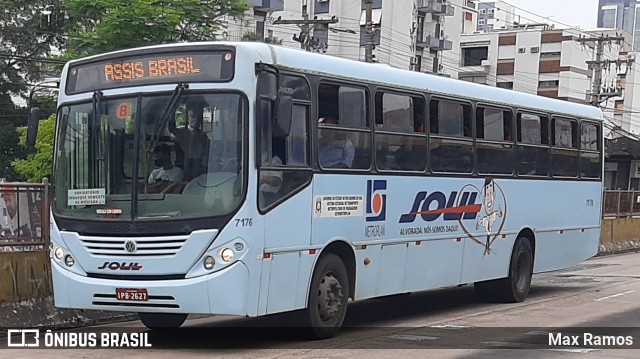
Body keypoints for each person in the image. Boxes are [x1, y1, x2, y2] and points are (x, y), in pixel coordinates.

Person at [169, 105, 210, 180]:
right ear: (188, 119)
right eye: (193, 117)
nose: (195, 120)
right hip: (182, 164)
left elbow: (206, 150)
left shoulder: (203, 135)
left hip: (198, 164)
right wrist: (173, 108)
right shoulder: (181, 132)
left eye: (198, 118)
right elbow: (171, 128)